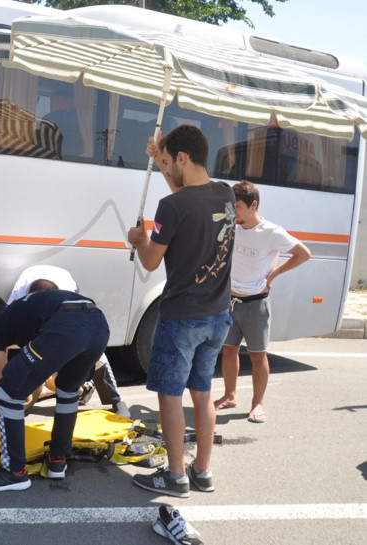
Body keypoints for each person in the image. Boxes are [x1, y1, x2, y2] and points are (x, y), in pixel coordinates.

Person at [127, 125, 235, 510]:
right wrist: (159, 159)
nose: (168, 167)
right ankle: (201, 471)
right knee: (202, 391)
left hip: (181, 318)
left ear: (184, 159)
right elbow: (187, 198)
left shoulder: (171, 208)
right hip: (218, 315)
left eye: (170, 161)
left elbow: (152, 261)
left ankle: (174, 476)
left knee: (170, 396)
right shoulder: (225, 193)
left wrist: (140, 241)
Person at [0, 289, 110, 491]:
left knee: (7, 391)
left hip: (67, 323)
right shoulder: (22, 311)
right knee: (68, 389)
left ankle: (13, 472)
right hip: (98, 323)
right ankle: (57, 460)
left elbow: (0, 380)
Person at [215, 180, 311, 423]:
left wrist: (274, 274)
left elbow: (303, 254)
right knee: (228, 351)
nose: (233, 212)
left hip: (256, 304)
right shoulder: (231, 226)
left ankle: (258, 404)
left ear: (253, 205)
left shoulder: (271, 231)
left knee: (258, 356)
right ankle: (230, 395)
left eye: (237, 207)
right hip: (229, 301)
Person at [7, 265, 129, 418]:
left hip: (68, 315)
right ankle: (74, 387)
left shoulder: (69, 300)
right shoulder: (17, 302)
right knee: (27, 379)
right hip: (35, 308)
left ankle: (116, 399)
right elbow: (1, 340)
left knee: (91, 351)